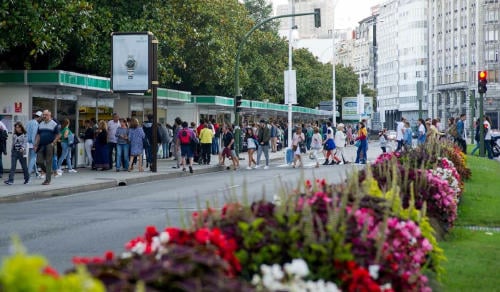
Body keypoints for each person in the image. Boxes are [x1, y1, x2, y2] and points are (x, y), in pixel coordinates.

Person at [34, 110, 60, 185]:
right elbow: (38, 135)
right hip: (41, 145)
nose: (44, 116)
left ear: (49, 115)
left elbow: (58, 135)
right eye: (43, 115)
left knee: (49, 162)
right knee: (39, 161)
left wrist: (53, 143)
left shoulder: (54, 124)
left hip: (49, 145)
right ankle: (49, 172)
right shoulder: (41, 124)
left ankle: (47, 180)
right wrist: (36, 144)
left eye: (46, 115)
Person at [26, 111, 42, 179]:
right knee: (33, 158)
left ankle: (36, 173)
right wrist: (35, 144)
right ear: (39, 117)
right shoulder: (36, 124)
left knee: (32, 158)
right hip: (33, 143)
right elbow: (34, 135)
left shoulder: (29, 122)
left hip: (27, 143)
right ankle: (28, 174)